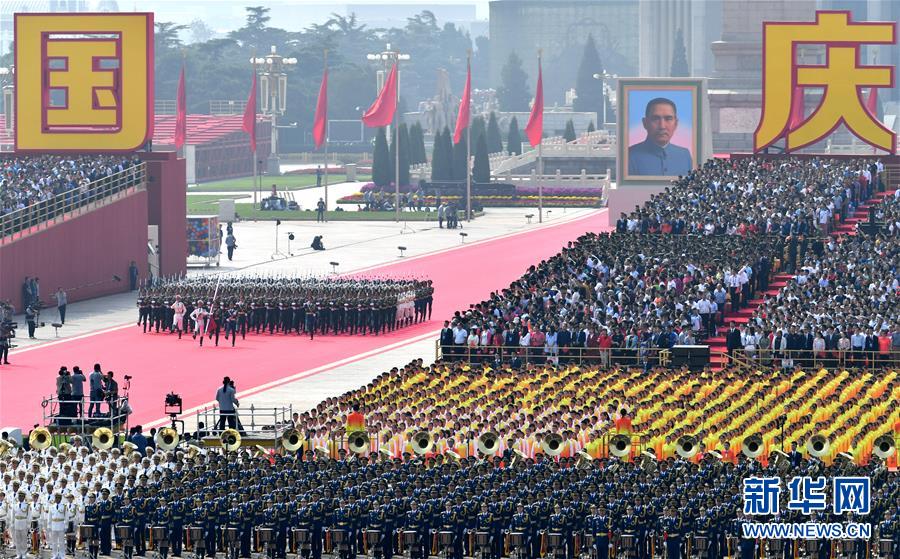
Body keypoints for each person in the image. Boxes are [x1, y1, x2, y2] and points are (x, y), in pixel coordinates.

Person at [627, 97, 693, 176]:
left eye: (668, 119)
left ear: (676, 124)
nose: (662, 126)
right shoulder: (629, 156)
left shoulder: (685, 155)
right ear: (645, 123)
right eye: (655, 119)